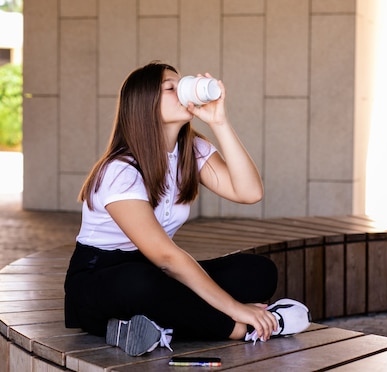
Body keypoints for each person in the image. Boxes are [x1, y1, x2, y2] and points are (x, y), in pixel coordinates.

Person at [64, 61, 310, 356]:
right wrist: (236, 310)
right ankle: (240, 330)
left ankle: (150, 327)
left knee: (258, 272)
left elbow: (249, 192)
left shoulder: (191, 151)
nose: (182, 91)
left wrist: (219, 122)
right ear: (145, 103)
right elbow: (166, 256)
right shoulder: (120, 171)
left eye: (181, 84)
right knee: (141, 284)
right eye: (171, 87)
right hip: (102, 280)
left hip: (156, 272)